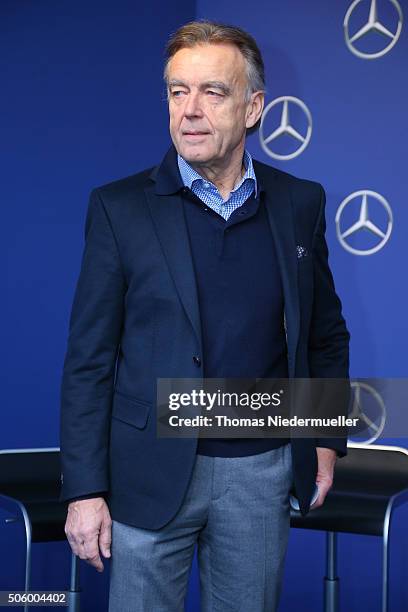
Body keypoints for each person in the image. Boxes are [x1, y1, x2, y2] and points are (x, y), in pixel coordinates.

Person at [60, 20, 350, 612]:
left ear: (253, 107)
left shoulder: (300, 204)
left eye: (213, 92)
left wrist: (325, 437)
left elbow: (325, 333)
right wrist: (86, 489)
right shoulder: (119, 209)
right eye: (177, 91)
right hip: (147, 476)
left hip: (260, 474)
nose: (189, 110)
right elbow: (88, 362)